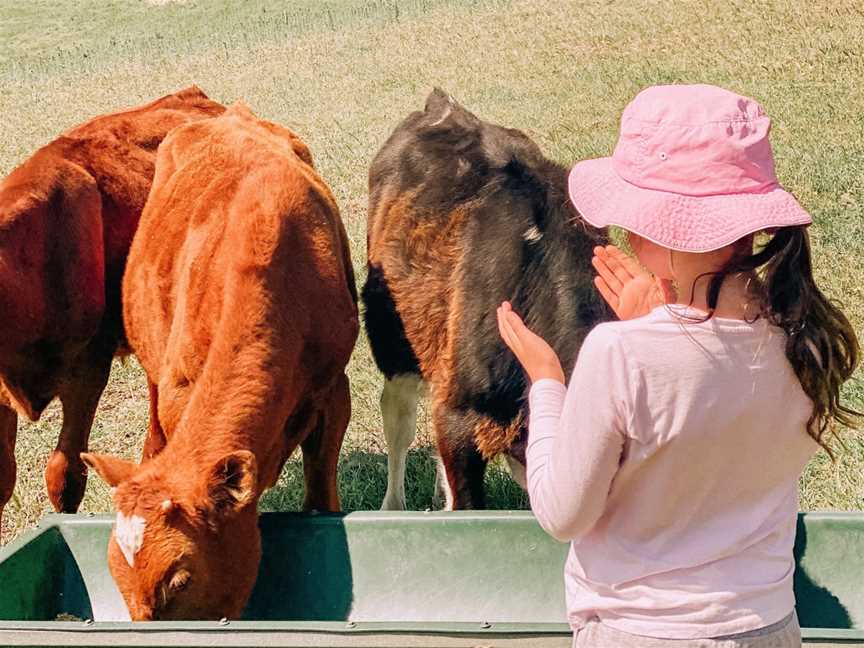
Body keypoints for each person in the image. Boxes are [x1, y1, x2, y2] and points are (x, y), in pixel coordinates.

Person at [496, 84, 861, 647]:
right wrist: (660, 319)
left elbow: (563, 513)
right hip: (770, 626)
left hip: (643, 633)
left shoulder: (621, 355)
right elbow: (713, 410)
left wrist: (547, 384)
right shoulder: (807, 340)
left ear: (657, 225)